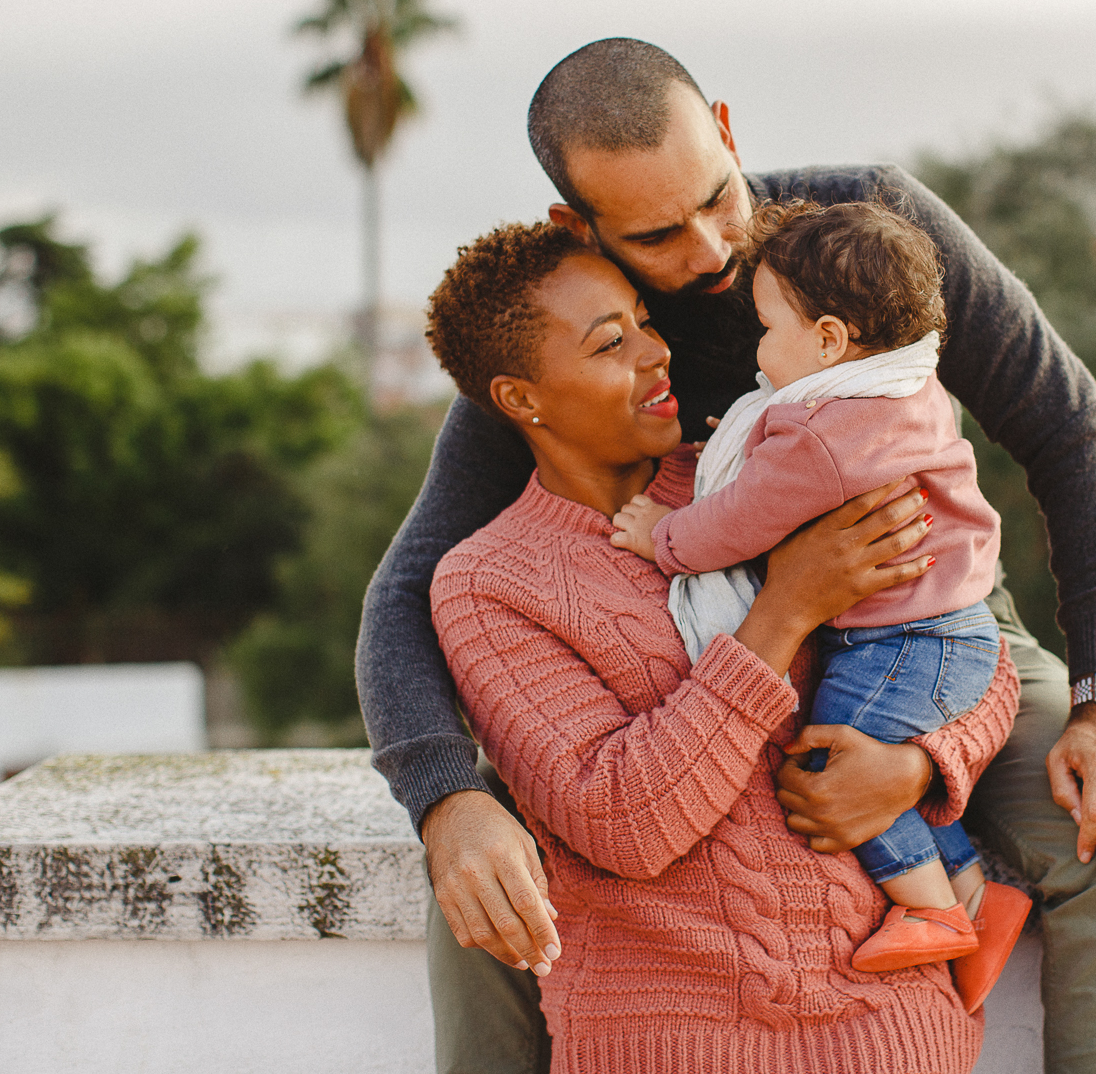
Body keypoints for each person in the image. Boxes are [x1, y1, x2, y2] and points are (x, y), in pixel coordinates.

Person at [359, 38, 1096, 1074]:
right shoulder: (578, 334)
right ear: (581, 226)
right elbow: (410, 585)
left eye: (717, 198)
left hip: (925, 609)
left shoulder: (861, 229)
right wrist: (444, 800)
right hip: (723, 646)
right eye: (659, 234)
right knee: (495, 874)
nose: (711, 249)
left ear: (724, 128)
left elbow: (1071, 430)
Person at [424, 221, 1021, 1072]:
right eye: (610, 342)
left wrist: (922, 764)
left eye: (642, 318)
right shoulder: (490, 584)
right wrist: (784, 609)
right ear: (523, 399)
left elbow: (961, 638)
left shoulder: (774, 471)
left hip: (897, 1033)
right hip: (676, 1045)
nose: (654, 351)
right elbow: (624, 822)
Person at [608, 197, 1032, 987]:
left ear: (831, 340)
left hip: (907, 641)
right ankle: (977, 896)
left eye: (768, 329)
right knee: (863, 765)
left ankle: (931, 908)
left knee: (826, 769)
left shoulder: (819, 435)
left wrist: (659, 535)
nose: (758, 349)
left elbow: (736, 522)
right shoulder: (904, 388)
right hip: (947, 632)